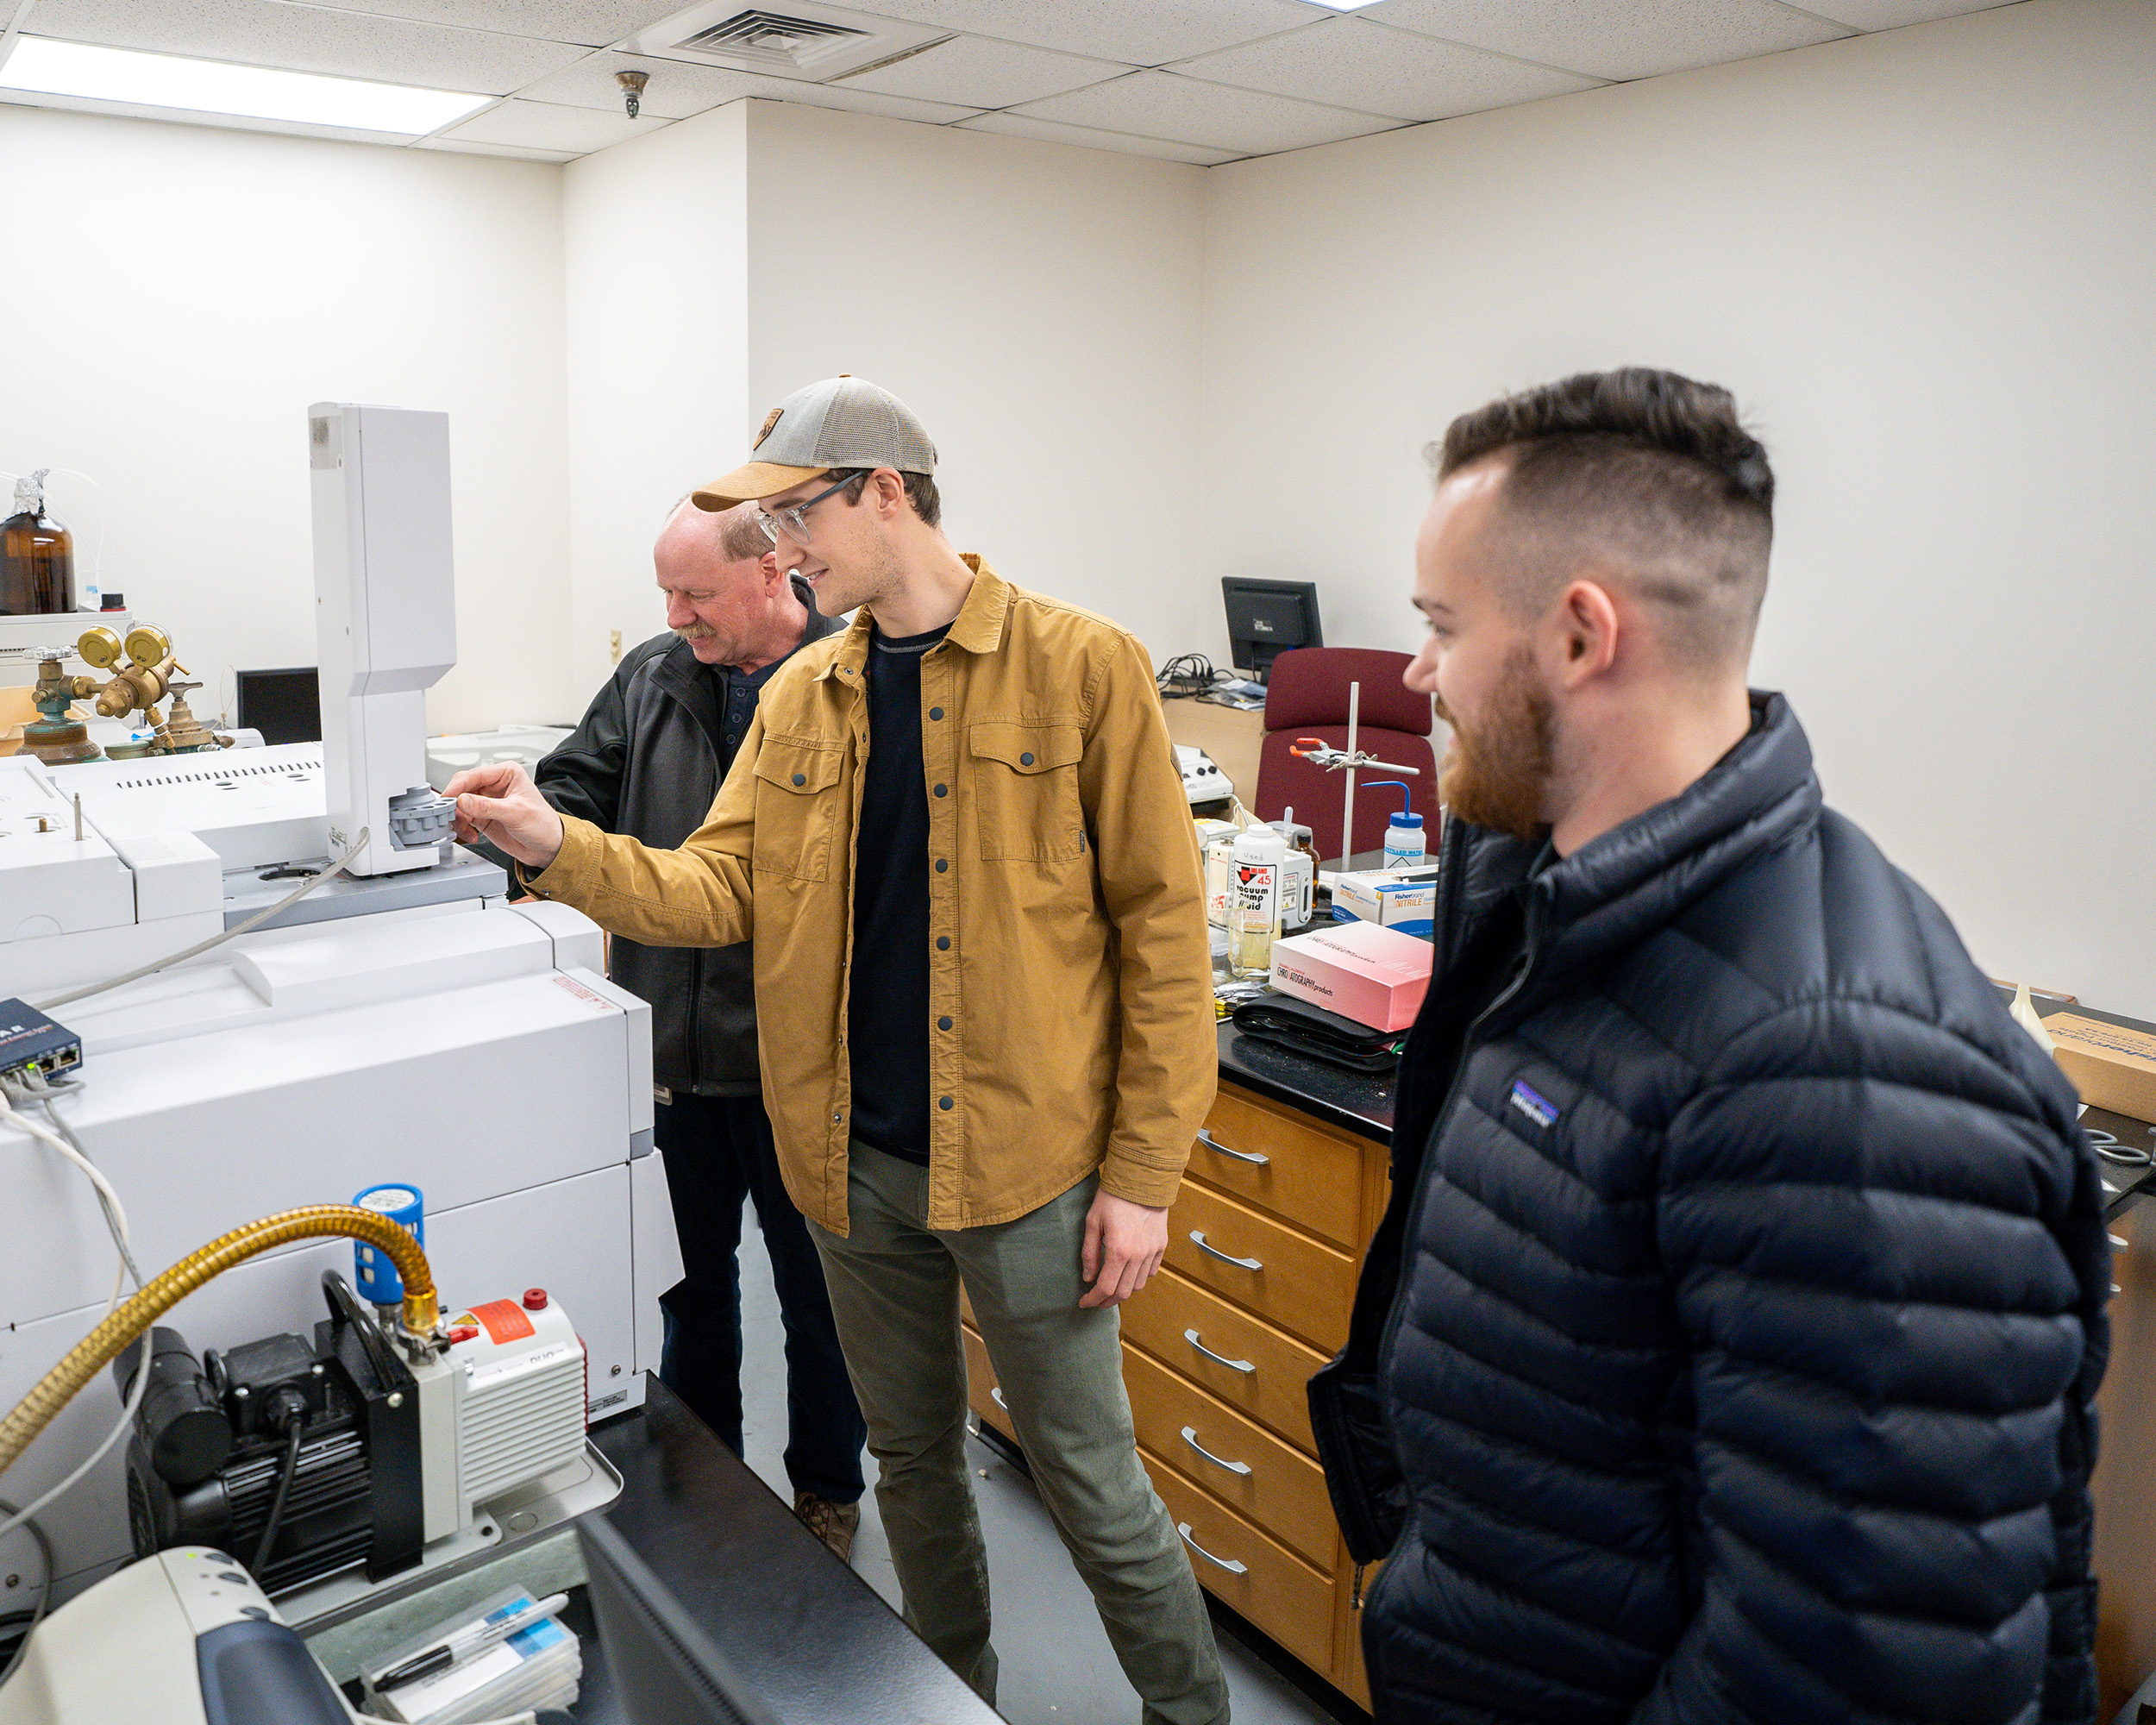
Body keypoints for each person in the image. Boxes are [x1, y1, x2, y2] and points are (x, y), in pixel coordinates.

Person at [1309, 368, 2110, 1724]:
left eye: (1442, 626)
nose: (1416, 674)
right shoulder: (1552, 902)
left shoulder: (1846, 1072)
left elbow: (1858, 1674)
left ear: (1581, 636)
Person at [448, 376, 1228, 1723]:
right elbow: (715, 888)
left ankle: (1190, 1714)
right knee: (912, 1467)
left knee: (1094, 1489)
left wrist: (1144, 1177)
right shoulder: (807, 693)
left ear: (885, 492)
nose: (781, 548)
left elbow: (1163, 937)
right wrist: (552, 842)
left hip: (1033, 1172)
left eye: (796, 516)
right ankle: (954, 1700)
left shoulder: (1084, 665)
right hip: (857, 1174)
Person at [488, 498, 866, 1557]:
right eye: (666, 591)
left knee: (821, 1306)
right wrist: (518, 821)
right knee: (690, 1294)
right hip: (670, 1054)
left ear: (773, 571)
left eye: (694, 592)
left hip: (797, 1067)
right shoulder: (653, 675)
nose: (674, 613)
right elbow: (576, 789)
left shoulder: (849, 681)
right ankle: (711, 1484)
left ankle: (828, 1492)